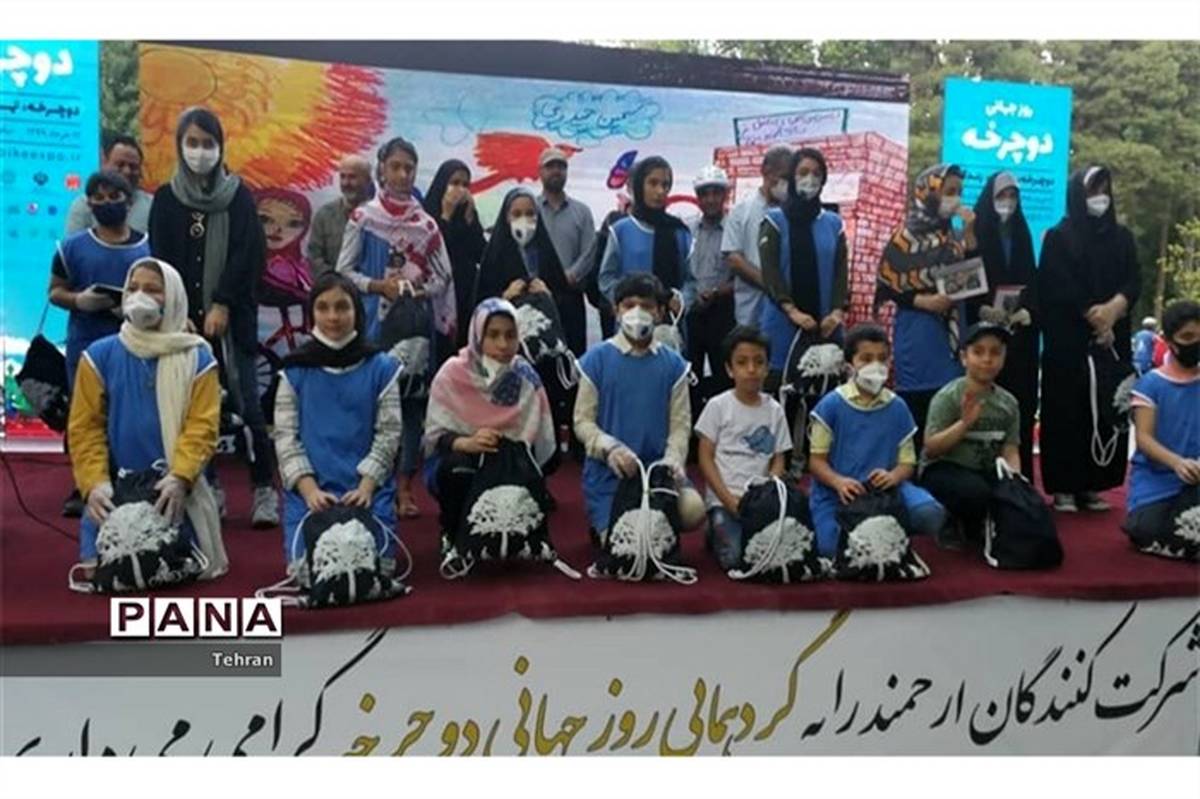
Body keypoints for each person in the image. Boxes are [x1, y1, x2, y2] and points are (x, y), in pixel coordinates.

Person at [148, 106, 278, 528]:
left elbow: (248, 255)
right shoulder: (166, 199)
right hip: (183, 326)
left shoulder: (238, 195)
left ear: (220, 147)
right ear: (180, 146)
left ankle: (263, 490)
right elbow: (162, 261)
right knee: (196, 411)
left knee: (247, 406)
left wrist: (222, 302)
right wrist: (180, 312)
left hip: (233, 322)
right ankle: (210, 488)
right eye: (193, 143)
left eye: (208, 143)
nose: (200, 152)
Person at [68, 257, 225, 579]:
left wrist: (180, 477)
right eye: (133, 288)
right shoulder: (99, 356)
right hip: (115, 489)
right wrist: (94, 485)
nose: (140, 296)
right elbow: (85, 429)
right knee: (103, 573)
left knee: (174, 570)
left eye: (153, 290)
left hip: (176, 491)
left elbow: (203, 428)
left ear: (175, 298)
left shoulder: (198, 358)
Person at [337, 136, 456, 520]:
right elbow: (343, 272)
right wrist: (378, 286)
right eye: (396, 167)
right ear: (382, 170)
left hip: (414, 330)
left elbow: (443, 277)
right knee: (370, 405)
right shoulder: (363, 218)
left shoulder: (426, 225)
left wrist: (417, 290)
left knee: (410, 408)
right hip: (373, 324)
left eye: (409, 167)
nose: (403, 175)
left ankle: (404, 486)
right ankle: (370, 482)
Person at [272, 272, 403, 575]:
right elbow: (285, 437)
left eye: (342, 307)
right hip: (311, 491)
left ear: (357, 311)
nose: (333, 316)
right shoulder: (294, 370)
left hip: (367, 489)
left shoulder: (382, 368)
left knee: (374, 570)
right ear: (311, 312)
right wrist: (310, 491)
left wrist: (366, 487)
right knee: (308, 572)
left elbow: (389, 433)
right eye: (323, 307)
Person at [1038, 165, 1140, 513]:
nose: (1100, 197)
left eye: (1104, 190)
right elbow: (1056, 283)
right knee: (1068, 409)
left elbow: (1134, 280)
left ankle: (1095, 483)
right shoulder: (1059, 237)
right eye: (1093, 190)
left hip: (1112, 338)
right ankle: (1065, 486)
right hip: (1069, 341)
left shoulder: (1122, 237)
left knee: (1106, 407)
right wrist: (1092, 315)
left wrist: (1114, 308)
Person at [574, 273, 705, 544]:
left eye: (646, 306)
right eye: (629, 305)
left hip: (657, 472)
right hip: (611, 474)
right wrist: (610, 448)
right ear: (616, 310)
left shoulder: (674, 366)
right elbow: (582, 422)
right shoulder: (597, 360)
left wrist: (673, 460)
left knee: (693, 511)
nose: (637, 312)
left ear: (660, 313)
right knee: (626, 542)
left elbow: (680, 426)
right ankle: (602, 524)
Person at [50, 171, 152, 517]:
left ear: (129, 201)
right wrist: (79, 300)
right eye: (99, 197)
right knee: (85, 416)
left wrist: (137, 306)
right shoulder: (71, 248)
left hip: (133, 343)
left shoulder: (146, 248)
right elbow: (55, 291)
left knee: (127, 413)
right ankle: (84, 485)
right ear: (89, 203)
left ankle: (127, 480)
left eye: (114, 196)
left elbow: (161, 293)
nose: (107, 203)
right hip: (85, 343)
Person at [423, 298, 557, 553]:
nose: (503, 345)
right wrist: (467, 442)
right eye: (493, 335)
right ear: (477, 335)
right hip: (465, 456)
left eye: (510, 335)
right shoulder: (452, 374)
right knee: (456, 469)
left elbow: (542, 440)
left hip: (511, 459)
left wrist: (510, 447)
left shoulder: (525, 375)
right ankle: (452, 533)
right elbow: (434, 436)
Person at [808, 323, 947, 557]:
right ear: (849, 364)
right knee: (830, 547)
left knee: (930, 515)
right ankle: (884, 538)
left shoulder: (898, 407)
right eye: (866, 358)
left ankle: (889, 532)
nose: (876, 366)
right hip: (837, 493)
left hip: (886, 492)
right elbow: (816, 462)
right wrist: (838, 482)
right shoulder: (830, 405)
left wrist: (894, 476)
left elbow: (907, 463)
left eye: (882, 358)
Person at [875, 163, 976, 453]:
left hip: (951, 330)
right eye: (949, 191)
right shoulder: (905, 237)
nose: (955, 198)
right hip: (918, 329)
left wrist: (969, 234)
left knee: (949, 405)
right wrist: (923, 301)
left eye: (959, 192)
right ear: (928, 192)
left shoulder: (953, 236)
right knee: (919, 409)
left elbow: (970, 279)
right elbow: (887, 284)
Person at [695, 326, 791, 570]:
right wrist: (728, 500)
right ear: (729, 369)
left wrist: (767, 493)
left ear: (767, 367)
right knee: (736, 559)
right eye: (742, 362)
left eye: (759, 362)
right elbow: (705, 457)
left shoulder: (775, 410)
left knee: (780, 553)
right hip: (725, 499)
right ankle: (714, 526)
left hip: (760, 501)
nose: (751, 369)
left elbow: (778, 459)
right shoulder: (718, 406)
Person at [919, 323, 1022, 545]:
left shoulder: (1009, 403)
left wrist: (1015, 483)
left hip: (985, 471)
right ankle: (950, 519)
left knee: (1018, 499)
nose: (987, 359)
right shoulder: (948, 397)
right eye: (978, 352)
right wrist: (964, 424)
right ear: (964, 358)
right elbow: (931, 449)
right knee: (975, 493)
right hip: (945, 469)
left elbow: (1010, 449)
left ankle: (981, 523)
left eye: (995, 352)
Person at [969, 171, 1039, 478]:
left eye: (1012, 196)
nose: (1007, 202)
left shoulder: (1022, 233)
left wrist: (1028, 311)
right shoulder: (975, 231)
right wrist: (980, 307)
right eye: (1001, 196)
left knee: (1019, 404)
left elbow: (1033, 280)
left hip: (1018, 338)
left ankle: (1018, 478)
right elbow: (964, 279)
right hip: (983, 333)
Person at [759, 147, 849, 377]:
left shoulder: (834, 223)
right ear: (792, 176)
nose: (810, 179)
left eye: (817, 173)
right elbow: (770, 274)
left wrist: (836, 312)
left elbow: (840, 272)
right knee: (781, 387)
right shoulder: (774, 221)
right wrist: (792, 311)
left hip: (826, 325)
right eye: (803, 172)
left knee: (824, 386)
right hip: (783, 323)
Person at [1123, 300, 1200, 551]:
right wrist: (1177, 463)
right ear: (1168, 340)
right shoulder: (1150, 385)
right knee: (1146, 528)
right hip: (1157, 485)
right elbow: (1144, 439)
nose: (1195, 343)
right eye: (1187, 337)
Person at [597, 157, 695, 315]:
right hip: (630, 320)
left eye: (665, 185)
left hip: (670, 322)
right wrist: (627, 300)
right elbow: (606, 278)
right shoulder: (620, 231)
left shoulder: (680, 232)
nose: (660, 191)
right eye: (653, 183)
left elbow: (691, 281)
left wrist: (681, 300)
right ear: (639, 186)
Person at [722, 145, 793, 327]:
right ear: (766, 172)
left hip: (788, 312)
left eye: (791, 178)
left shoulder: (794, 214)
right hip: (750, 311)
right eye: (783, 176)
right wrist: (772, 285)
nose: (787, 183)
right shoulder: (741, 211)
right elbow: (734, 259)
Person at [686, 165, 737, 418]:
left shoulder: (735, 229)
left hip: (723, 313)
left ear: (725, 195)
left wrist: (717, 292)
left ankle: (723, 429)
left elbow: (743, 279)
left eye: (716, 193)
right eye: (705, 193)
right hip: (691, 313)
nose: (711, 199)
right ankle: (692, 430)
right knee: (689, 376)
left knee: (724, 376)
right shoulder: (687, 230)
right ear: (698, 197)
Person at [536, 146, 595, 357]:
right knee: (540, 359)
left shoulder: (582, 212)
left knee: (573, 357)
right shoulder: (530, 209)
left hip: (570, 297)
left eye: (561, 166)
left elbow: (589, 251)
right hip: (537, 297)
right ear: (540, 172)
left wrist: (572, 275)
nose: (556, 171)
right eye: (550, 166)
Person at [422, 159, 486, 354]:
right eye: (455, 183)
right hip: (439, 296)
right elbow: (433, 253)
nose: (460, 190)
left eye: (465, 185)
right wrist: (446, 216)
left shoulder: (468, 214)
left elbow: (481, 254)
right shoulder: (426, 215)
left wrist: (470, 221)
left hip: (465, 294)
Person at [65, 133, 153, 235]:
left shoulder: (152, 206)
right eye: (120, 165)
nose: (127, 171)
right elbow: (73, 243)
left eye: (133, 167)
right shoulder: (84, 205)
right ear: (105, 163)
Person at [307, 155, 373, 279]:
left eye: (352, 177)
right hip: (333, 286)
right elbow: (314, 256)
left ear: (368, 180)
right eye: (343, 177)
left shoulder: (380, 216)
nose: (346, 183)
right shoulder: (324, 215)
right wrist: (335, 282)